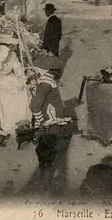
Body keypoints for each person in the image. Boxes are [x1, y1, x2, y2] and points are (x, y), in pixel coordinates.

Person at [30, 54, 73, 193]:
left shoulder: (45, 82)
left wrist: (40, 120)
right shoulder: (47, 81)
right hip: (50, 121)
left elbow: (36, 105)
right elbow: (37, 105)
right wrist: (41, 120)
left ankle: (45, 180)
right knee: (48, 150)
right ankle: (46, 180)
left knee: (46, 151)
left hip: (49, 121)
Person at [0, 44, 31, 136]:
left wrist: (21, 78)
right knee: (5, 97)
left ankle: (22, 120)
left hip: (11, 78)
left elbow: (18, 69)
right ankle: (9, 125)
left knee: (21, 91)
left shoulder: (12, 56)